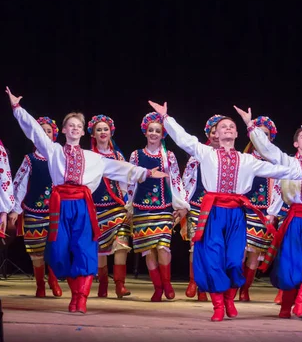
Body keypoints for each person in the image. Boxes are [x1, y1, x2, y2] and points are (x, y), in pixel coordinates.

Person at [6, 87, 168, 314]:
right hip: (59, 205)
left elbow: (120, 168)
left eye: (78, 126)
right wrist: (17, 108)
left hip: (83, 206)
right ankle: (72, 291)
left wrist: (146, 173)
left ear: (83, 132)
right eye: (70, 125)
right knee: (60, 251)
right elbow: (33, 131)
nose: (74, 128)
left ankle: (80, 298)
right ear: (63, 130)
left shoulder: (94, 158)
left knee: (84, 249)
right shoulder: (53, 151)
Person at [148, 100, 302, 322]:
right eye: (224, 126)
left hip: (236, 215)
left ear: (237, 133)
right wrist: (166, 118)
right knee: (213, 259)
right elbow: (184, 139)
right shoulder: (206, 153)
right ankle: (218, 305)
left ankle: (230, 299)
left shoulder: (248, 160)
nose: (228, 129)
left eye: (232, 126)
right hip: (213, 213)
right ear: (216, 133)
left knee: (233, 260)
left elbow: (279, 169)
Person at [236, 106, 302, 319]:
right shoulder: (289, 162)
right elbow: (267, 149)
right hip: (296, 219)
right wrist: (250, 125)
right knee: (291, 263)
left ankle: (301, 303)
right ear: (296, 143)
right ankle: (286, 306)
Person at [127, 112, 189, 302]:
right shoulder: (136, 155)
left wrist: (181, 204)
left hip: (163, 208)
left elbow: (176, 181)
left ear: (163, 135)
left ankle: (167, 284)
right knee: (148, 249)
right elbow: (130, 183)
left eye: (158, 131)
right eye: (151, 130)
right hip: (141, 208)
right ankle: (157, 287)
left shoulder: (168, 156)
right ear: (145, 133)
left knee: (163, 248)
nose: (154, 133)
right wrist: (129, 207)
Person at [9, 117, 62, 298]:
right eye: (41, 130)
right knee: (36, 250)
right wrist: (16, 209)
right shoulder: (30, 159)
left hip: (56, 211)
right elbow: (20, 184)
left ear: (53, 135)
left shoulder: (60, 157)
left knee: (55, 248)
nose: (45, 133)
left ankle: (53, 281)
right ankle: (40, 284)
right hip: (33, 211)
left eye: (48, 131)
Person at [87, 114, 131, 298]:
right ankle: (102, 283)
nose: (103, 132)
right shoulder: (88, 156)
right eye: (99, 129)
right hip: (96, 207)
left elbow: (124, 180)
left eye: (105, 129)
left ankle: (120, 285)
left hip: (116, 207)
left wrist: (128, 202)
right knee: (100, 249)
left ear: (111, 132)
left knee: (122, 244)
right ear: (93, 134)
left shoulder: (117, 155)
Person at [181, 114, 223, 302]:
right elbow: (185, 181)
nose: (215, 135)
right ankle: (194, 282)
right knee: (195, 247)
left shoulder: (230, 156)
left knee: (214, 248)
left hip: (218, 207)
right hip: (198, 205)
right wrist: (183, 204)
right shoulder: (197, 155)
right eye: (213, 132)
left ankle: (208, 284)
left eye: (219, 132)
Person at [238, 116, 279, 302]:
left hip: (263, 213)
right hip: (242, 209)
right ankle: (232, 288)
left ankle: (245, 289)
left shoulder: (274, 161)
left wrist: (273, 213)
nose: (263, 138)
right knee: (239, 251)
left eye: (266, 135)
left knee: (254, 252)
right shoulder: (244, 158)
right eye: (259, 134)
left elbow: (278, 189)